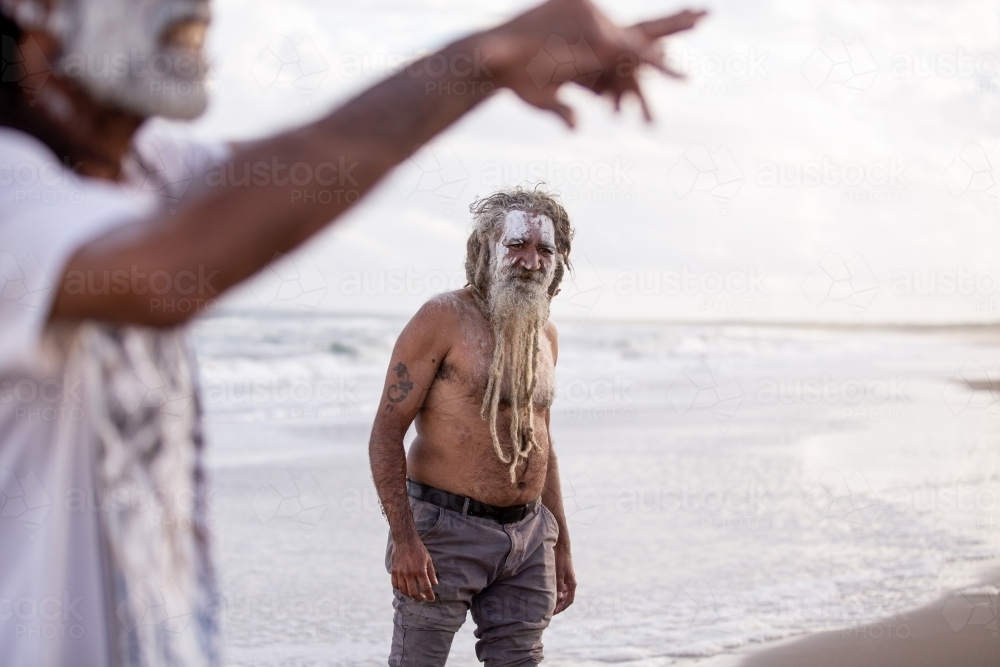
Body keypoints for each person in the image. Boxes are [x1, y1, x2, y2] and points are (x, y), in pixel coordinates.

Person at [0, 0, 705, 664]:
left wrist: (498, 61)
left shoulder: (144, 171)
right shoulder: (15, 189)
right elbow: (175, 268)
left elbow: (296, 168)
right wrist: (486, 56)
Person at [370, 186, 578, 666]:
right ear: (486, 247)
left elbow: (542, 441)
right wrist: (405, 540)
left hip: (529, 539)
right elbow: (386, 431)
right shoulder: (442, 318)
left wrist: (560, 542)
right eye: (517, 245)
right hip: (444, 533)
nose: (531, 261)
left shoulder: (544, 335)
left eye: (544, 249)